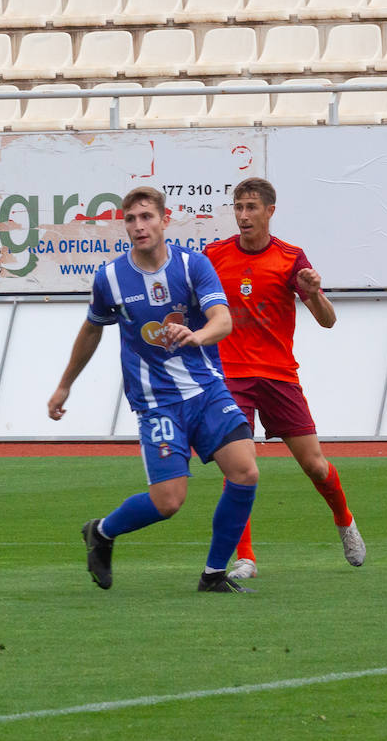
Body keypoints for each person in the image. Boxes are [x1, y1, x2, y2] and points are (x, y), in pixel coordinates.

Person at [47, 186, 259, 593]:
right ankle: (102, 532)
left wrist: (196, 336)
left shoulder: (192, 266)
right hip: (156, 403)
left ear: (165, 220)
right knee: (168, 501)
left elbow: (223, 321)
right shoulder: (110, 277)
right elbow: (93, 329)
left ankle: (214, 574)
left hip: (205, 391)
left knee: (246, 471)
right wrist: (64, 386)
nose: (139, 226)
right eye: (131, 219)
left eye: (146, 217)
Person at [203, 178, 364, 582]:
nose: (243, 215)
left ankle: (344, 520)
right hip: (232, 376)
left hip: (278, 376)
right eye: (238, 207)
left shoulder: (290, 258)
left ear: (270, 211)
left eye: (251, 207)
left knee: (314, 465)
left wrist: (316, 293)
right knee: (239, 467)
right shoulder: (214, 255)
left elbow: (327, 321)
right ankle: (245, 558)